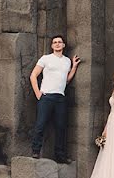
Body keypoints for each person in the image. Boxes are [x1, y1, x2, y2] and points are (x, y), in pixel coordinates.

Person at [29, 35, 81, 163]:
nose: (57, 44)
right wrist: (38, 93)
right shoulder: (46, 59)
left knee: (61, 127)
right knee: (40, 124)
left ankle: (60, 155)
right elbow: (33, 75)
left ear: (63, 45)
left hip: (60, 98)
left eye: (60, 42)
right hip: (46, 96)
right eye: (55, 42)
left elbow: (66, 80)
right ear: (52, 46)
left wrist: (74, 67)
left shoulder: (67, 61)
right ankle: (36, 151)